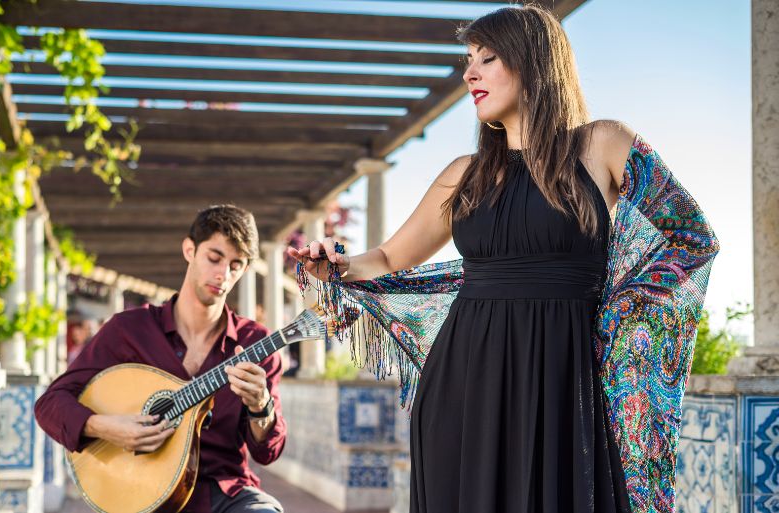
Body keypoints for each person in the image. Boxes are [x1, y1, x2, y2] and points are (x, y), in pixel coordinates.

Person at [288, 5, 718, 513]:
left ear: (534, 62)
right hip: (464, 381)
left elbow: (692, 237)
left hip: (569, 376)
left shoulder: (604, 143)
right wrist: (334, 265)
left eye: (486, 58)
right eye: (468, 59)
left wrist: (623, 313)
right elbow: (387, 256)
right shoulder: (463, 174)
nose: (469, 73)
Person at [36, 205, 286, 513]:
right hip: (140, 492)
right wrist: (106, 427)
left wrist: (261, 406)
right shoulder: (129, 330)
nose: (223, 273)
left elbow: (267, 452)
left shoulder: (255, 344)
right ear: (189, 250)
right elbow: (50, 404)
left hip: (225, 494)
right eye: (214, 257)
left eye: (236, 265)